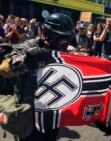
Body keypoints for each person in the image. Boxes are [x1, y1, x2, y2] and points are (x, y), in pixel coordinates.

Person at [0, 13, 76, 141]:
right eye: (61, 37)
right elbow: (4, 68)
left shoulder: (65, 52)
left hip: (53, 110)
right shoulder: (28, 46)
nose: (65, 42)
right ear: (47, 33)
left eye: (67, 38)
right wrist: (26, 60)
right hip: (29, 111)